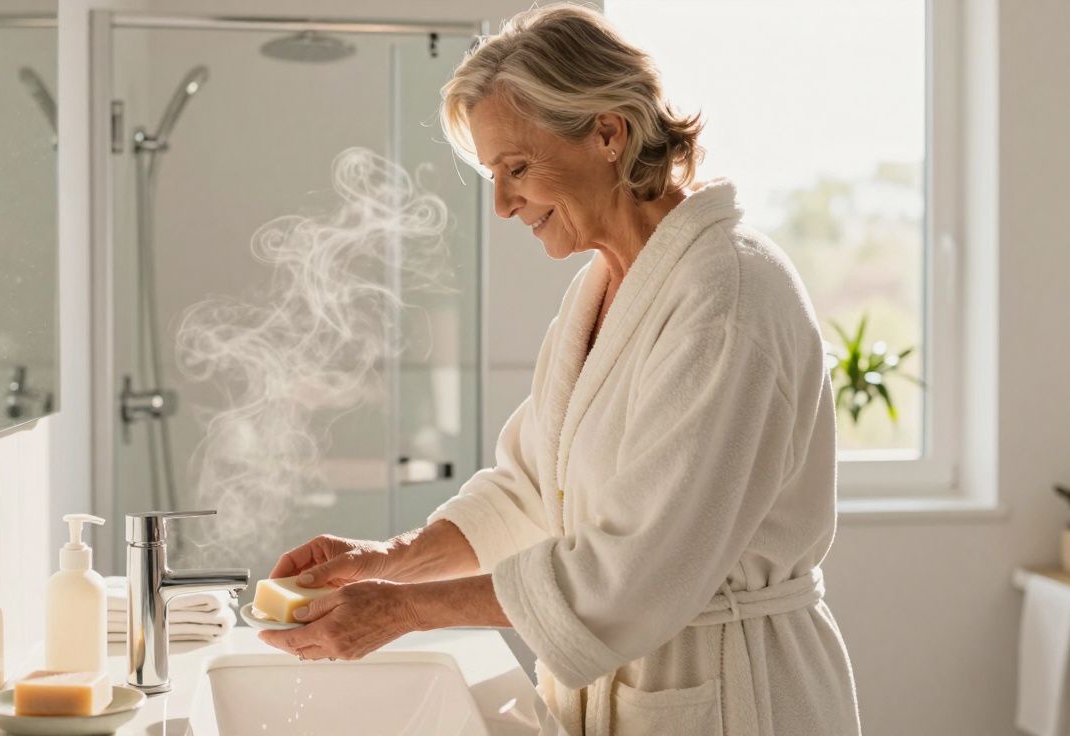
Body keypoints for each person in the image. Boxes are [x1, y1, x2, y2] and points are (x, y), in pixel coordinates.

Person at [259, 4, 861, 734]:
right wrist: (388, 561)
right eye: (492, 174)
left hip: (731, 695)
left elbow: (636, 573)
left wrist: (403, 609)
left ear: (608, 132)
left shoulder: (725, 296)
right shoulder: (605, 287)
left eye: (516, 168)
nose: (504, 205)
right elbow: (533, 491)